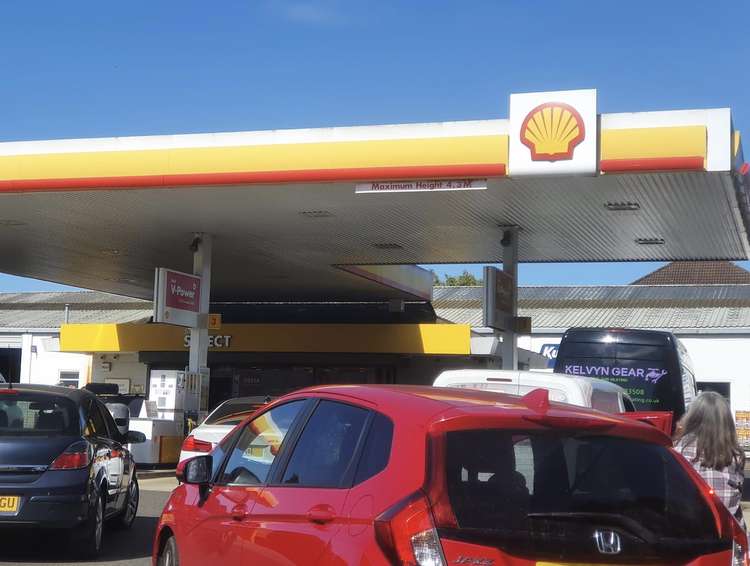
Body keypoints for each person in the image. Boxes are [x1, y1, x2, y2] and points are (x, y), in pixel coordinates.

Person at [674, 391, 745, 526]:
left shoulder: (680, 450)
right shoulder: (736, 456)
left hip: (691, 531)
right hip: (729, 532)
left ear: (693, 418)